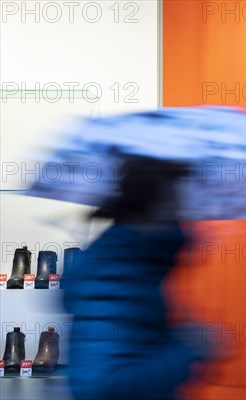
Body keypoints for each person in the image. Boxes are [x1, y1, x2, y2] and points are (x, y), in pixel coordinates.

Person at [62, 157, 212, 400]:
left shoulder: (136, 270)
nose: (179, 216)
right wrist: (186, 351)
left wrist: (177, 339)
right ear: (149, 208)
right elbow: (102, 387)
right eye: (172, 204)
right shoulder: (115, 279)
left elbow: (137, 348)